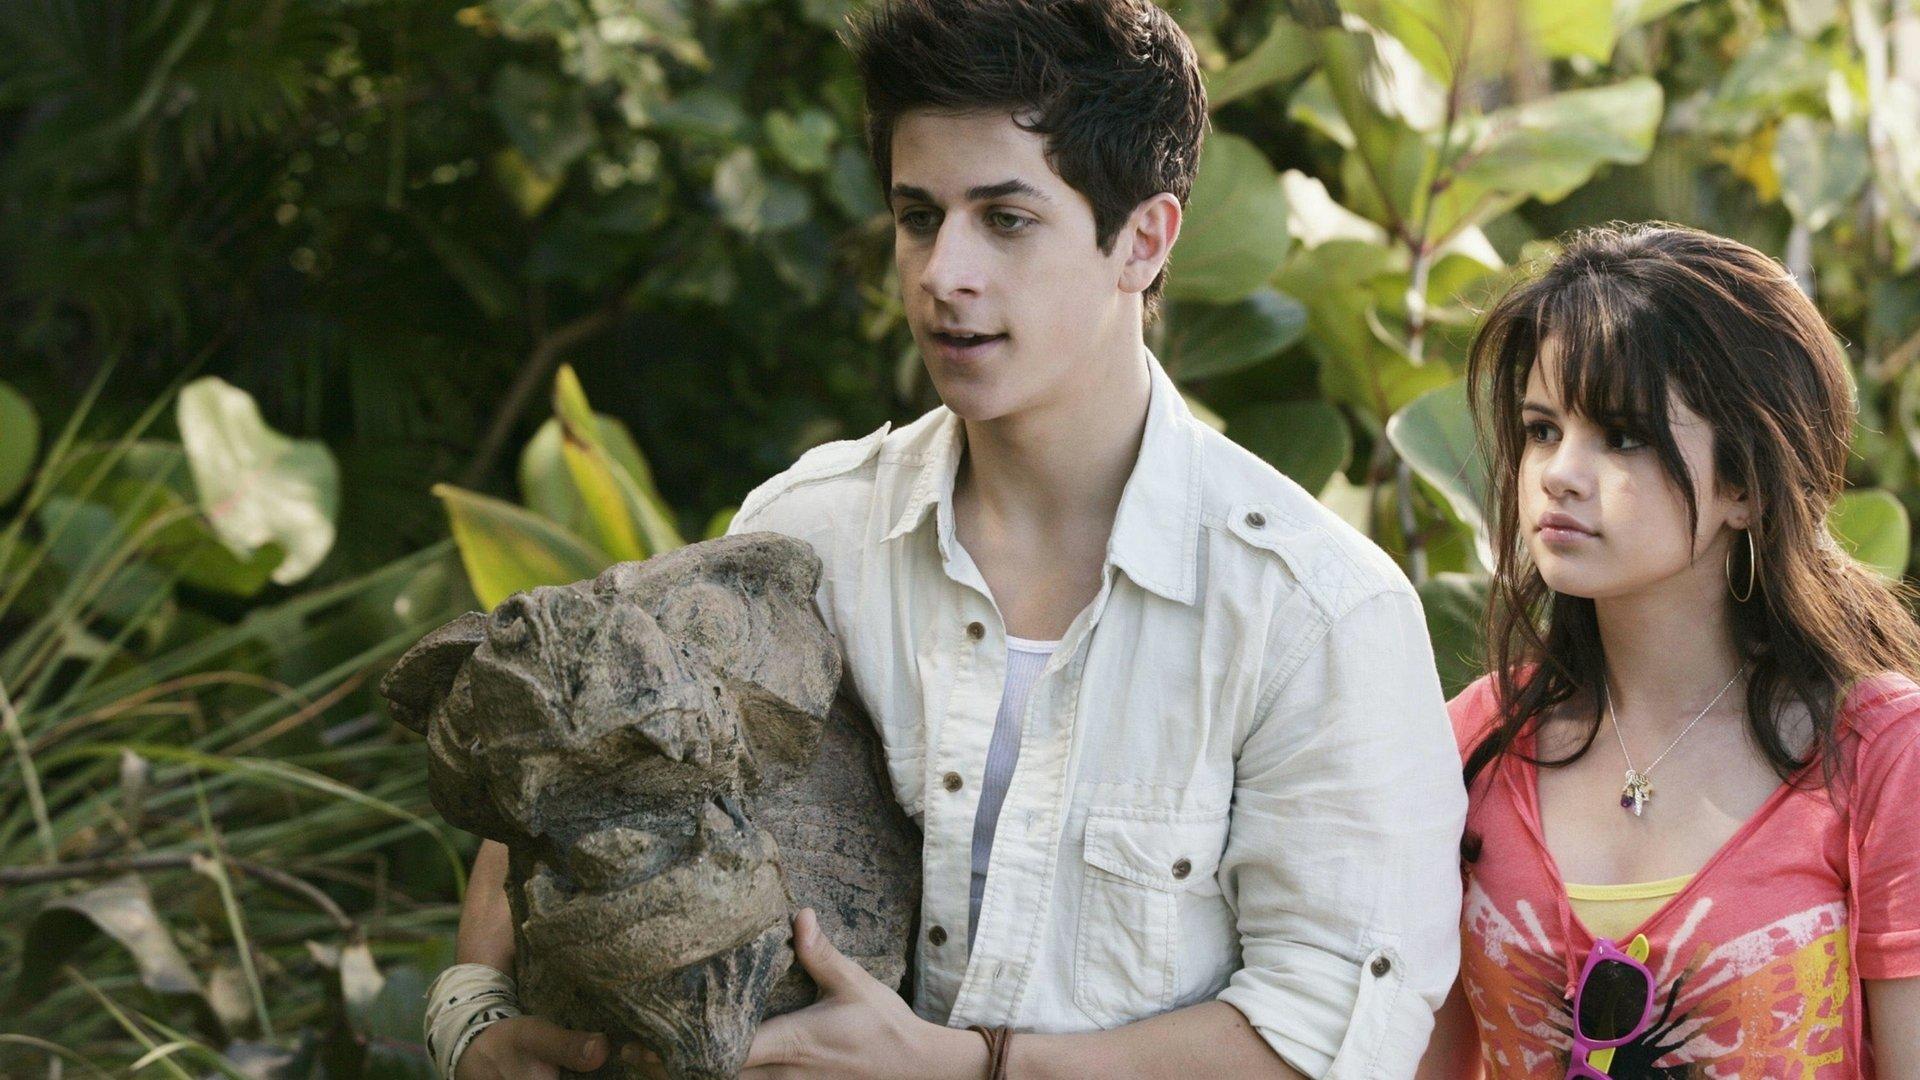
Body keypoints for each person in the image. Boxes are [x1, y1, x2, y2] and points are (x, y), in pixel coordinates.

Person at [425, 2, 1467, 1077]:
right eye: (919, 217)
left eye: (1005, 219)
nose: (941, 273)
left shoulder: (1313, 612)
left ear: (1144, 241)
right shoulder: (806, 533)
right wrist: (471, 1020)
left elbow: (1330, 1035)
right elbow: (578, 769)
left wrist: (970, 1067)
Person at [1415, 223, 1920, 1079]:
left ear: (1745, 483)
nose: (1559, 473)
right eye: (1542, 429)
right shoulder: (1474, 744)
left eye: (1623, 435)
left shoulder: (1879, 755)